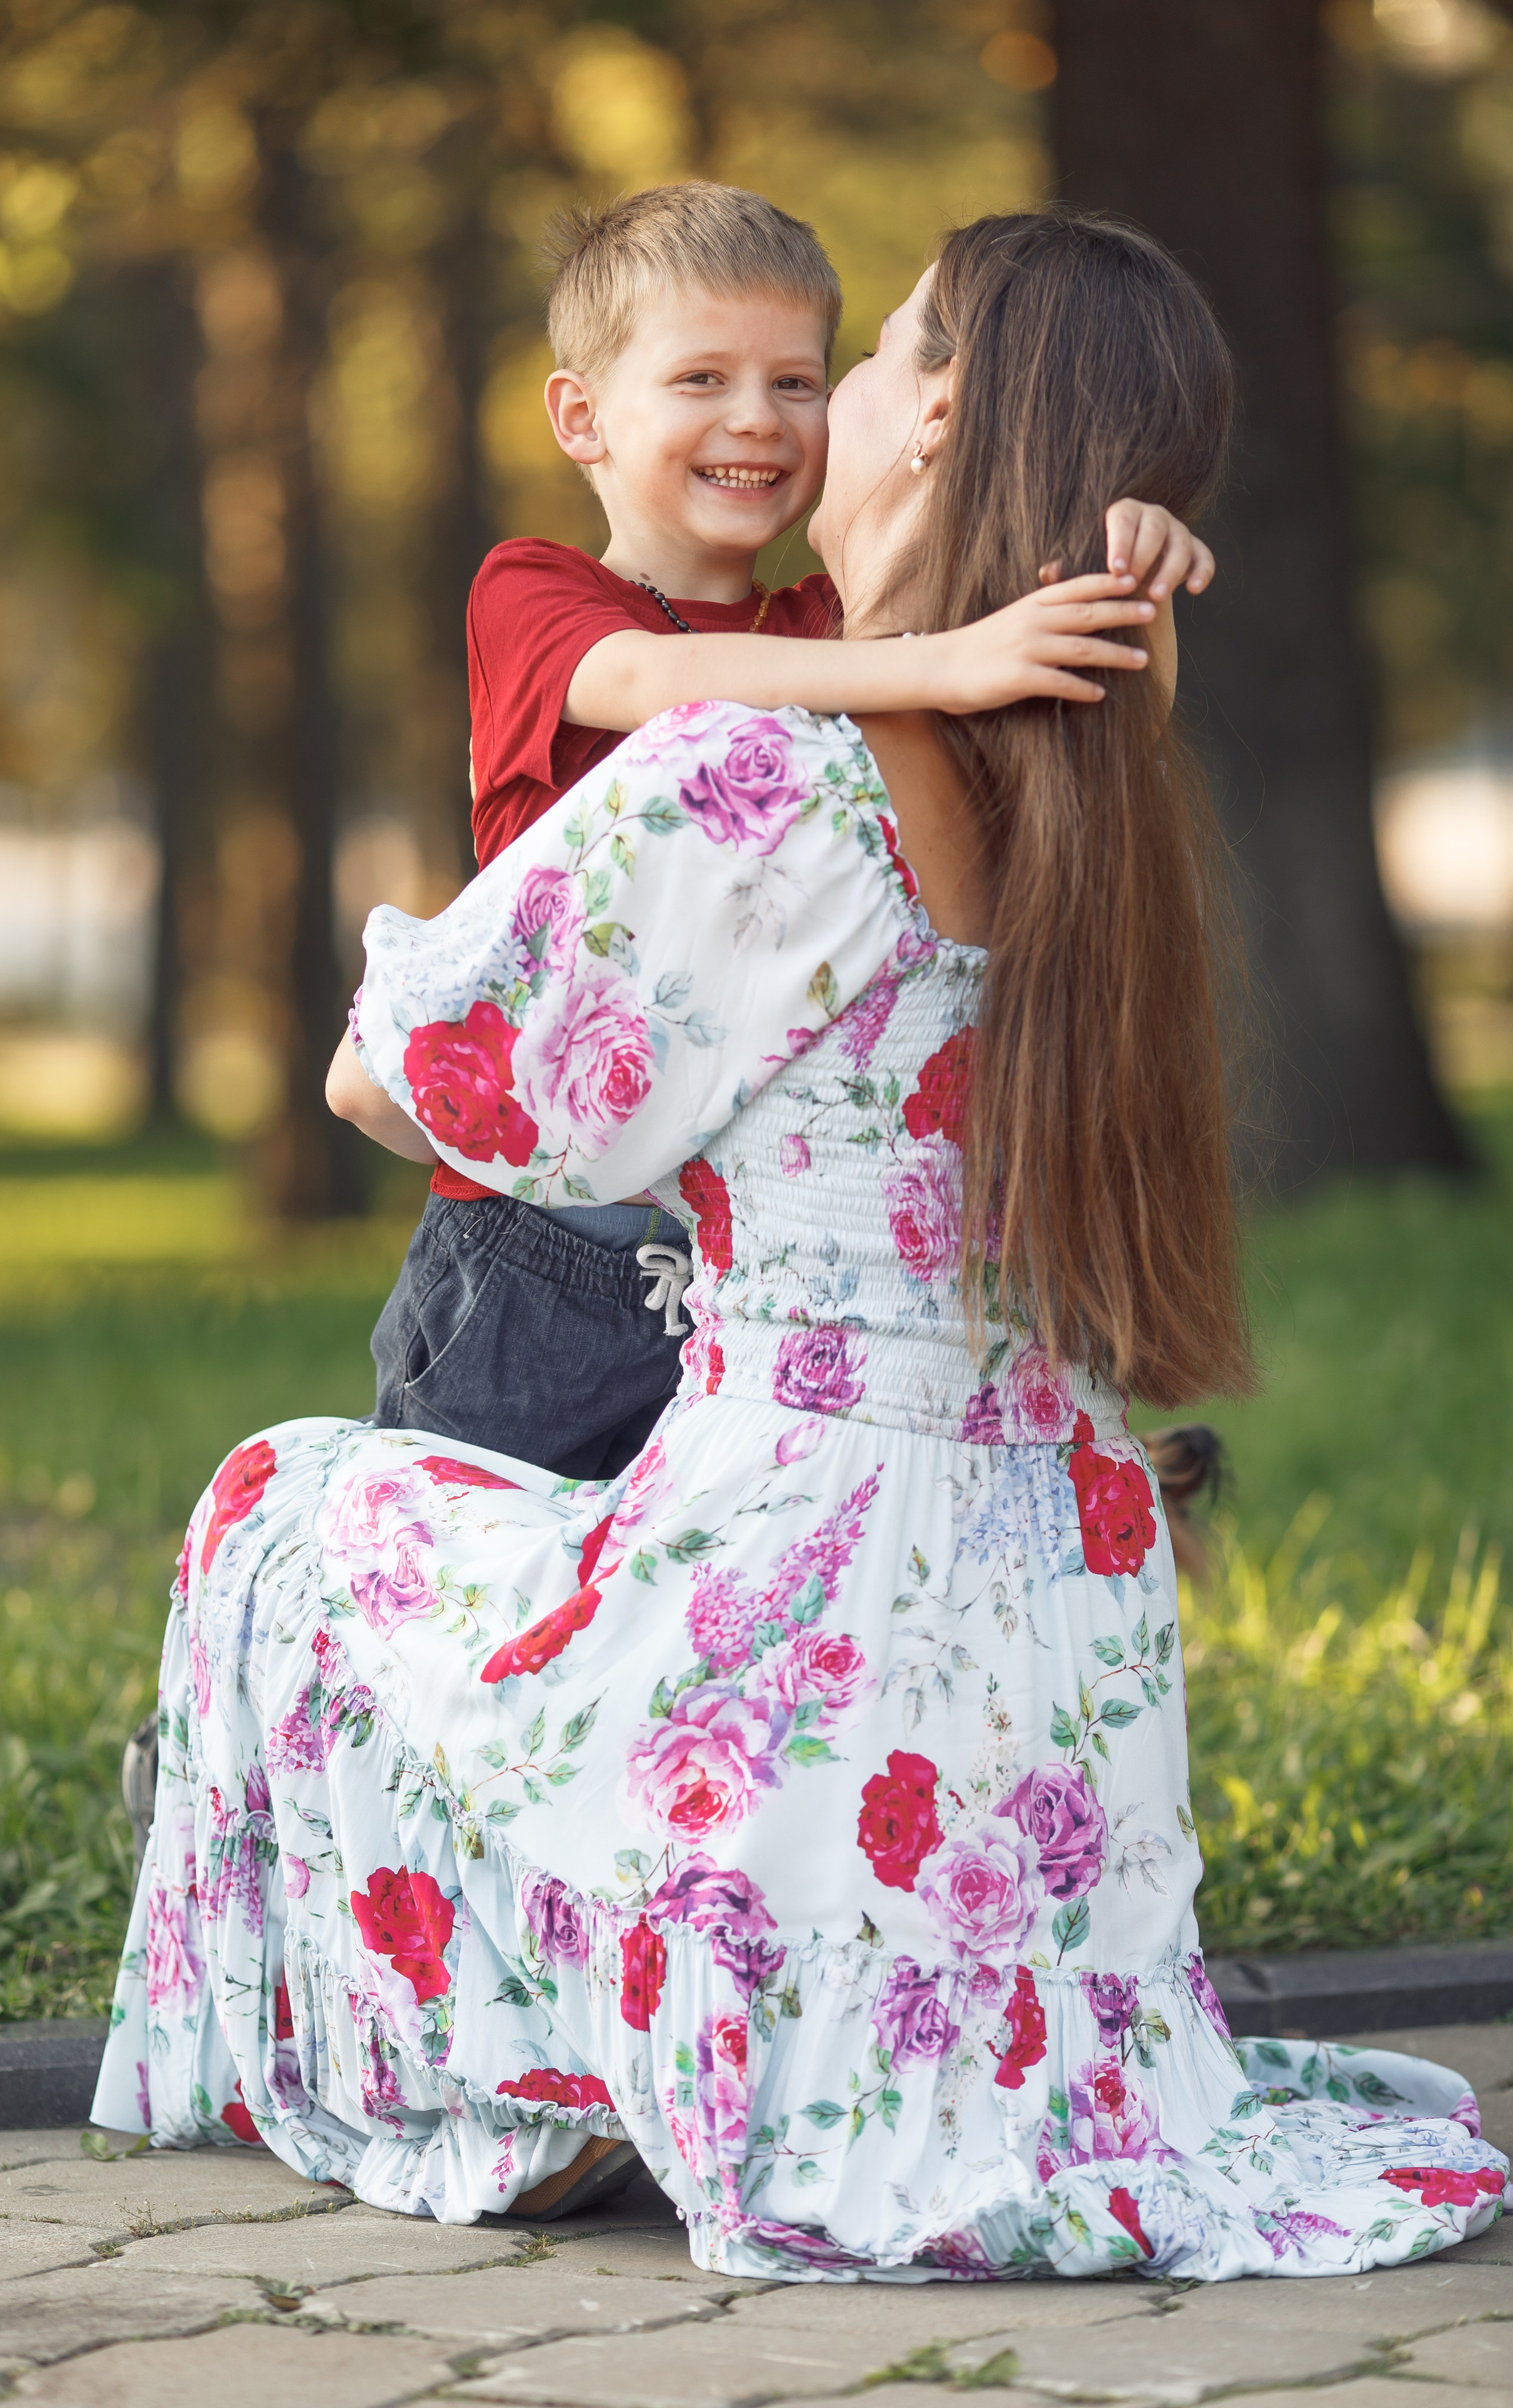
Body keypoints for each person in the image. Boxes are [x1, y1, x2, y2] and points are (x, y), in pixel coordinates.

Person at [93, 212, 1506, 2279]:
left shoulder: (767, 768)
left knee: (286, 1513)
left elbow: (394, 1091)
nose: (798, 405)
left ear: (926, 411)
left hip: (801, 1601)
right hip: (1045, 1635)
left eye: (858, 358)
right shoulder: (1087, 778)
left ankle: (536, 2051)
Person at [350, 181, 1213, 1484]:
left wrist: (1122, 549)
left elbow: (1085, 727)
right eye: (698, 378)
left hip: (724, 1243)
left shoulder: (827, 630)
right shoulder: (536, 589)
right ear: (580, 416)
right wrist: (944, 665)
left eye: (801, 382)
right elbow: (649, 688)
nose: (755, 419)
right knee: (453, 1539)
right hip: (537, 1232)